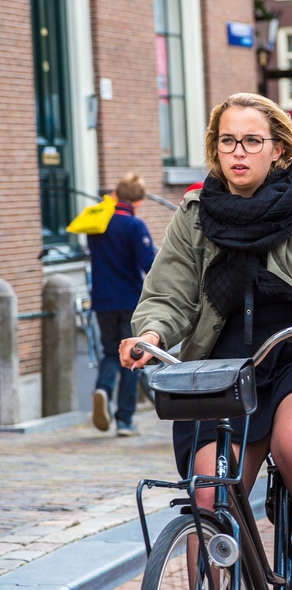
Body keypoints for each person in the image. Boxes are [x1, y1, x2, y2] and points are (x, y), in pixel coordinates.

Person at [120, 92, 292, 589]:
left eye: (251, 141)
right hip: (224, 368)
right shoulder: (196, 212)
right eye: (227, 141)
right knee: (207, 492)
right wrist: (150, 332)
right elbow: (169, 291)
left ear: (278, 149)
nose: (237, 152)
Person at [89, 172, 157, 437]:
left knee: (109, 351)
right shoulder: (134, 226)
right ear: (137, 201)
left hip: (102, 300)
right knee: (132, 358)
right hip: (129, 300)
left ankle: (103, 390)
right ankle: (125, 420)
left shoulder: (97, 223)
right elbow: (148, 264)